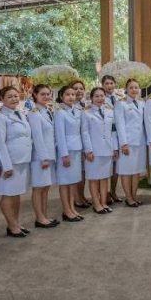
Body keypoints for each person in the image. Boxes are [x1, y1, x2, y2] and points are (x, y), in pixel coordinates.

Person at [0, 85, 33, 238]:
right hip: (10, 162)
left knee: (16, 194)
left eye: (16, 96)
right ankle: (11, 225)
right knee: (8, 194)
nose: (14, 99)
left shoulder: (20, 113)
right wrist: (6, 165)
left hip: (23, 160)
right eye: (9, 96)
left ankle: (15, 223)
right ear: (1, 99)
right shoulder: (0, 118)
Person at [81, 86, 118, 214]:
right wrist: (88, 150)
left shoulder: (109, 111)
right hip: (94, 151)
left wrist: (115, 148)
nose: (99, 98)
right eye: (96, 96)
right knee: (94, 178)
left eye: (102, 96)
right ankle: (96, 204)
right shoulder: (86, 113)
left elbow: (113, 131)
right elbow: (84, 133)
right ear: (91, 98)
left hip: (107, 150)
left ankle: (103, 202)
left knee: (104, 178)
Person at [27, 84, 59, 229]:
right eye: (43, 94)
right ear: (35, 95)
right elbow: (37, 137)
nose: (46, 97)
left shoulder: (47, 110)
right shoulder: (34, 113)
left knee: (46, 188)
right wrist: (43, 157)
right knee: (39, 188)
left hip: (50, 155)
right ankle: (39, 218)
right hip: (41, 157)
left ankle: (44, 216)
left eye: (48, 94)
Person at [114, 78, 146, 208]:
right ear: (126, 89)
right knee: (126, 171)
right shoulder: (121, 104)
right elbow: (120, 125)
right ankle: (128, 197)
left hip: (140, 141)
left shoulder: (142, 103)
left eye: (136, 87)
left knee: (136, 171)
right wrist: (123, 143)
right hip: (128, 143)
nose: (134, 90)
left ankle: (134, 195)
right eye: (131, 87)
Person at [54, 86, 84, 222]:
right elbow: (59, 135)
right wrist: (64, 154)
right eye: (67, 94)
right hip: (66, 151)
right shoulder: (59, 112)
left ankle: (72, 208)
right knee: (65, 182)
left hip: (76, 149)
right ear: (61, 97)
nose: (71, 97)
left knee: (72, 182)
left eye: (73, 94)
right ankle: (66, 210)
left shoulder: (77, 110)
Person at [68, 79, 91, 208]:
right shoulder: (68, 107)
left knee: (82, 173)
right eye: (75, 88)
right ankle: (76, 199)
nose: (78, 91)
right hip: (75, 145)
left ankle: (81, 196)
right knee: (75, 174)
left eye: (81, 88)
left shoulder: (85, 105)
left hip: (85, 144)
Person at [101, 75, 121, 203]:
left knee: (116, 166)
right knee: (106, 166)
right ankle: (105, 193)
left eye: (111, 83)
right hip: (106, 135)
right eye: (107, 83)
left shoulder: (119, 99)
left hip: (117, 134)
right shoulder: (100, 99)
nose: (109, 86)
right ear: (102, 85)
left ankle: (113, 191)